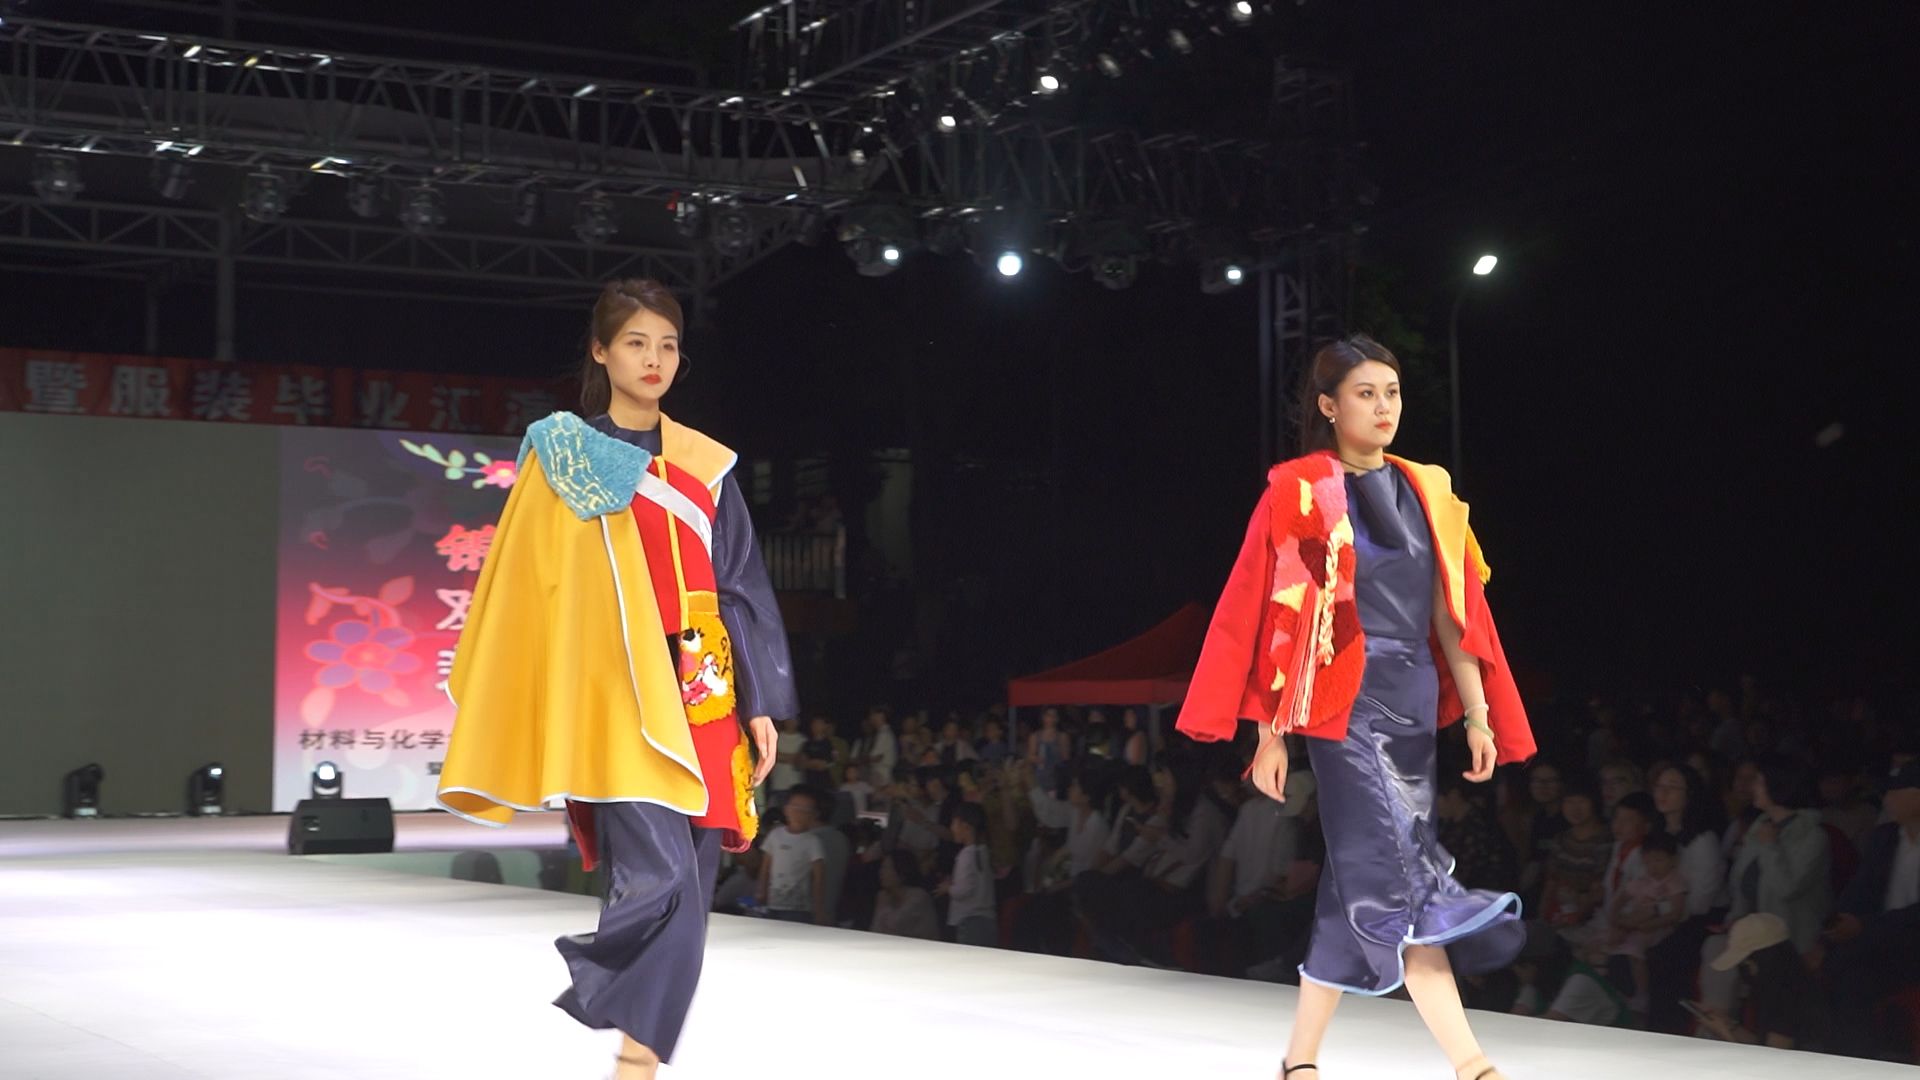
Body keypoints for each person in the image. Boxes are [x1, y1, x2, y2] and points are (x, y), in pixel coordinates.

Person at [435, 278, 794, 1080]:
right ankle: (616, 1007)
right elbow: (527, 580)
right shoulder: (563, 453)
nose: (654, 359)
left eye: (668, 345)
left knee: (693, 874)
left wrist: (762, 700)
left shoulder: (708, 464)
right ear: (601, 352)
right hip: (615, 691)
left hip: (702, 684)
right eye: (636, 342)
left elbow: (740, 583)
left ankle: (639, 1058)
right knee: (658, 871)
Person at [1178, 335, 1534, 1080]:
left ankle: (1299, 1061)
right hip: (1344, 707)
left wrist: (1477, 713)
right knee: (1406, 870)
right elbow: (1278, 618)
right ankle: (1472, 1063)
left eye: (1391, 392)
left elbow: (1454, 615)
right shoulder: (1303, 490)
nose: (1383, 407)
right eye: (1365, 394)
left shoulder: (1427, 490)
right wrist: (1271, 734)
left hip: (1412, 703)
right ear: (1329, 406)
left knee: (1357, 880)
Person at [1816, 757, 1920, 1059]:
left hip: (1906, 941)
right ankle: (1848, 1057)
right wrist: (1831, 931)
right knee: (1842, 970)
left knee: (1849, 971)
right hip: (1881, 939)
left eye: (1897, 792)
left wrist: (1865, 927)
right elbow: (1859, 890)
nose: (1888, 800)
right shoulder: (1885, 838)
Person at [1691, 913, 1816, 1049]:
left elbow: (1773, 1059)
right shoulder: (1777, 989)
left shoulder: (1786, 997)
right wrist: (1729, 1025)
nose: (1747, 972)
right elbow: (1763, 1044)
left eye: (1747, 964)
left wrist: (1723, 1033)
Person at [1605, 831, 1687, 1018]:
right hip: (1634, 924)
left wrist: (1653, 923)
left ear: (1672, 860)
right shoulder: (1642, 881)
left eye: (1659, 860)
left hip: (1657, 928)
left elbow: (1676, 913)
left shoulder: (1674, 882)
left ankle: (1641, 994)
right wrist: (1615, 918)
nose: (1653, 866)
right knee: (1605, 944)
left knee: (1635, 953)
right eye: (1648, 862)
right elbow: (1620, 899)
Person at [758, 787, 829, 925]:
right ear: (786, 809)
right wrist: (761, 890)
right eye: (795, 807)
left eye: (805, 810)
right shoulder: (775, 835)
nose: (799, 813)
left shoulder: (813, 842)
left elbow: (819, 878)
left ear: (813, 815)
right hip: (773, 903)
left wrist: (819, 909)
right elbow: (765, 867)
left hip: (799, 908)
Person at [939, 803, 997, 946]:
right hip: (987, 919)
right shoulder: (984, 852)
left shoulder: (966, 855)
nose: (952, 828)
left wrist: (948, 888)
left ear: (965, 826)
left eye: (954, 823)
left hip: (969, 921)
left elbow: (963, 890)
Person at [870, 850, 940, 940]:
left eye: (886, 868)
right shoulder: (882, 896)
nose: (881, 872)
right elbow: (875, 930)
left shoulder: (919, 897)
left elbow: (895, 925)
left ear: (901, 873)